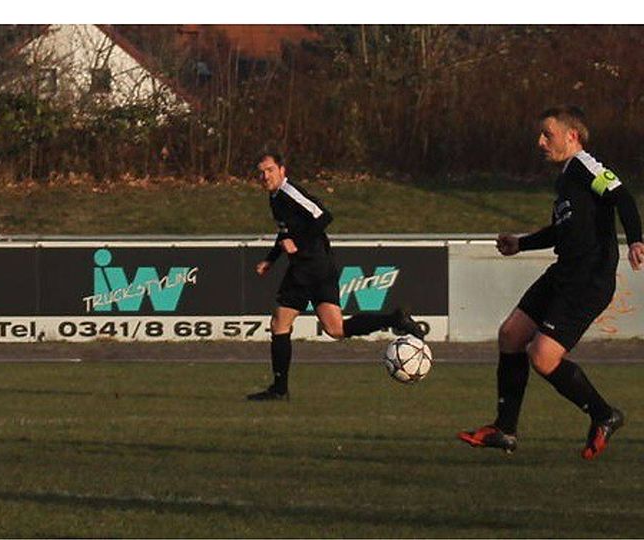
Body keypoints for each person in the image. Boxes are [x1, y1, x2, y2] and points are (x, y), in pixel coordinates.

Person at [458, 106, 644, 459]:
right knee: (511, 334)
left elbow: (622, 196)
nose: (540, 141)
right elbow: (561, 231)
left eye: (548, 134)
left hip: (589, 278)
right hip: (564, 272)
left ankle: (604, 415)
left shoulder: (586, 165)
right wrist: (521, 243)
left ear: (571, 136)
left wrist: (636, 238)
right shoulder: (566, 179)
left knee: (542, 356)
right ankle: (504, 429)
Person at [248, 152, 428, 401]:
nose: (264, 176)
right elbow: (285, 234)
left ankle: (279, 390)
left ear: (282, 170)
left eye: (269, 170)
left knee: (281, 324)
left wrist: (296, 243)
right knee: (335, 329)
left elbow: (324, 216)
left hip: (310, 268)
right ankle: (395, 319)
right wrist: (271, 259)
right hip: (312, 267)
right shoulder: (275, 197)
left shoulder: (290, 193)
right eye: (260, 172)